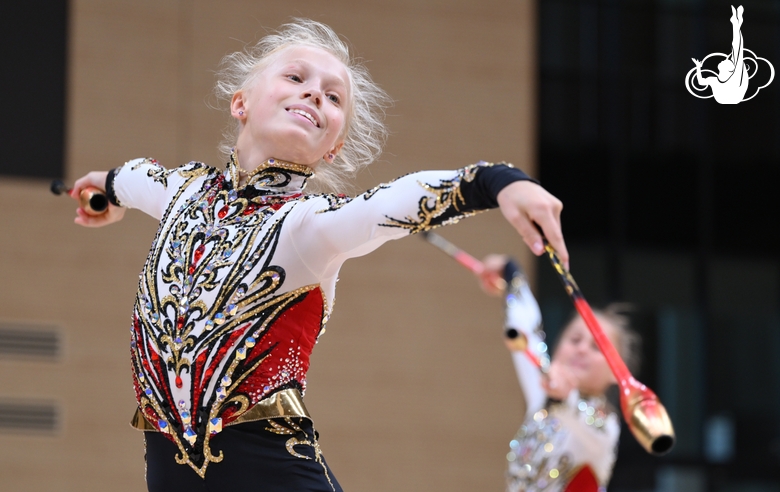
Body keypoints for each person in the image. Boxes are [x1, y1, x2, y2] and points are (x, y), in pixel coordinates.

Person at [69, 19, 568, 492]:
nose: (314, 93)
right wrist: (105, 188)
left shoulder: (309, 226)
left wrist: (500, 183)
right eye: (295, 77)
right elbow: (133, 178)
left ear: (333, 146)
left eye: (333, 98)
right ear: (240, 102)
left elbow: (397, 202)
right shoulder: (179, 193)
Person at [477, 256, 639, 492]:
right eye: (575, 340)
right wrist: (510, 273)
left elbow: (590, 426)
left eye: (597, 348)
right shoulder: (543, 394)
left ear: (617, 373)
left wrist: (566, 398)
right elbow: (526, 334)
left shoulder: (605, 425)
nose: (582, 349)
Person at [692, 5, 748, 104]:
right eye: (728, 60)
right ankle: (736, 23)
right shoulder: (715, 80)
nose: (725, 59)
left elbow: (738, 49)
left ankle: (736, 23)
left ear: (729, 69)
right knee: (737, 51)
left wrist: (736, 26)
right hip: (729, 97)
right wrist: (698, 67)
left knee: (737, 50)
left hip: (733, 96)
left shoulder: (732, 78)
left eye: (727, 61)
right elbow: (701, 82)